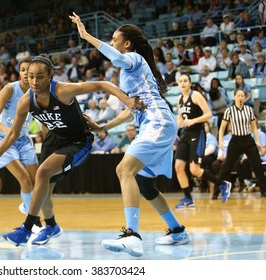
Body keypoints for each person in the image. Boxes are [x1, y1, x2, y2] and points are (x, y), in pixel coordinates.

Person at [0, 55, 136, 247]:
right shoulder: (25, 102)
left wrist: (128, 101)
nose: (34, 81)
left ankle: (26, 229)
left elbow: (102, 84)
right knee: (42, 188)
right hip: (54, 139)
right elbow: (12, 135)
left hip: (78, 141)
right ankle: (51, 226)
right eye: (31, 76)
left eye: (40, 76)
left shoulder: (63, 90)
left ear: (50, 76)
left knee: (42, 172)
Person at [70, 13, 190, 258]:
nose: (112, 43)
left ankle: (132, 235)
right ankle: (178, 231)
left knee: (124, 170)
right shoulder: (132, 73)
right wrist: (103, 127)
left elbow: (114, 57)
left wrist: (86, 36)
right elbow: (131, 109)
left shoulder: (133, 58)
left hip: (158, 122)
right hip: (153, 123)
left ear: (127, 44)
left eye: (115, 40)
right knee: (145, 184)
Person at [0, 59, 39, 216]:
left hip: (23, 140)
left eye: (29, 71)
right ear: (19, 73)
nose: (25, 73)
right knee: (24, 179)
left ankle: (26, 207)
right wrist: (9, 131)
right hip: (2, 139)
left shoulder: (38, 92)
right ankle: (33, 221)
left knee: (37, 182)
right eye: (23, 70)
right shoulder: (10, 89)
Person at [175, 73, 229, 207]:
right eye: (180, 81)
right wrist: (173, 129)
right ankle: (188, 198)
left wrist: (193, 120)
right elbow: (180, 117)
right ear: (178, 84)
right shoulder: (179, 99)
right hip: (185, 134)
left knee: (194, 170)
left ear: (190, 83)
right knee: (178, 167)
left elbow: (209, 114)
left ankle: (222, 184)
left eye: (185, 81)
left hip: (197, 133)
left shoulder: (196, 95)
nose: (183, 83)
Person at [213, 89, 266, 199]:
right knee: (226, 166)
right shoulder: (229, 111)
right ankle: (216, 192)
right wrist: (221, 141)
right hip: (235, 140)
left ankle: (263, 191)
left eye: (242, 96)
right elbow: (222, 128)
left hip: (248, 140)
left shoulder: (249, 110)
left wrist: (258, 142)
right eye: (239, 95)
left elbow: (254, 128)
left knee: (257, 165)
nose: (241, 98)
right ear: (234, 97)